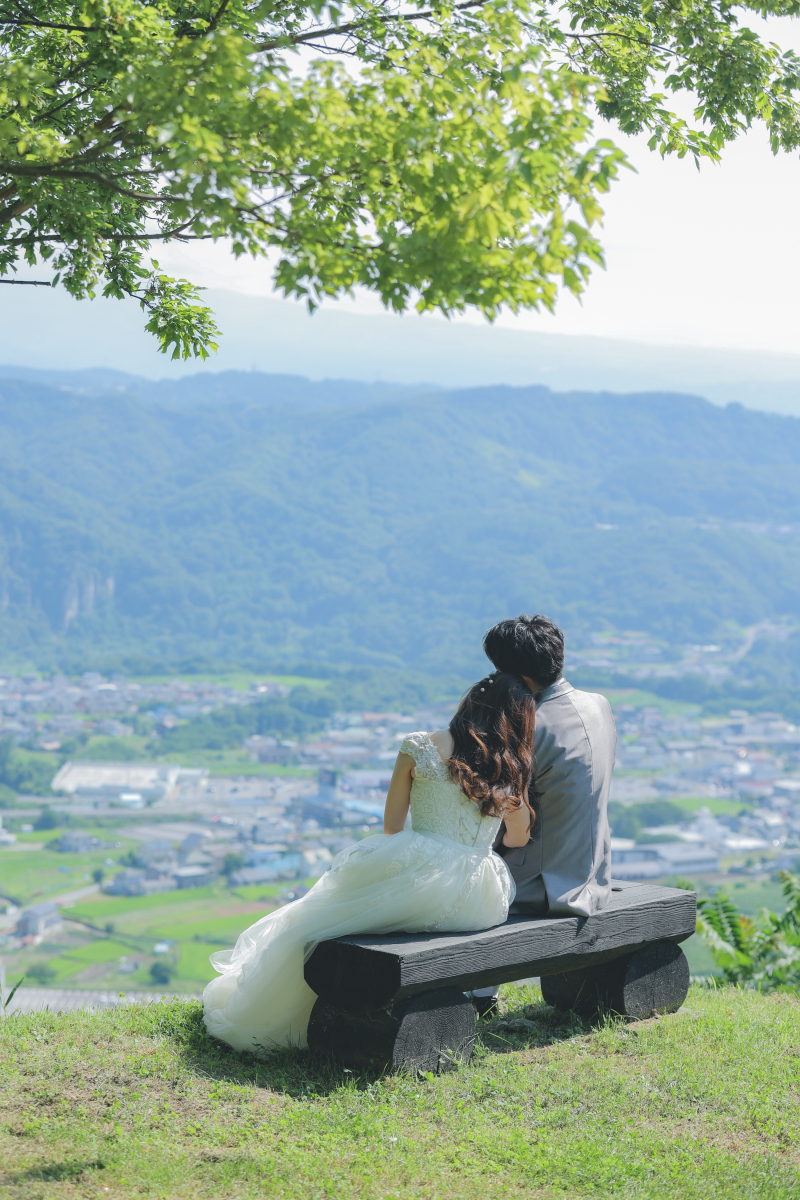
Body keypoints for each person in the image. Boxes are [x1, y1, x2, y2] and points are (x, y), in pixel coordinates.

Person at [202, 672, 536, 1053]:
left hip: (423, 876)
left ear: (469, 703)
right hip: (482, 897)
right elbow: (517, 838)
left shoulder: (419, 745)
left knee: (323, 918)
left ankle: (284, 1011)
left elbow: (392, 827)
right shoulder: (512, 766)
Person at [469, 613, 616, 1017]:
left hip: (547, 885)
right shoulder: (599, 705)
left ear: (512, 674)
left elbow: (501, 818)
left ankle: (478, 997)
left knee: (461, 878)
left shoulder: (528, 726)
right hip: (593, 871)